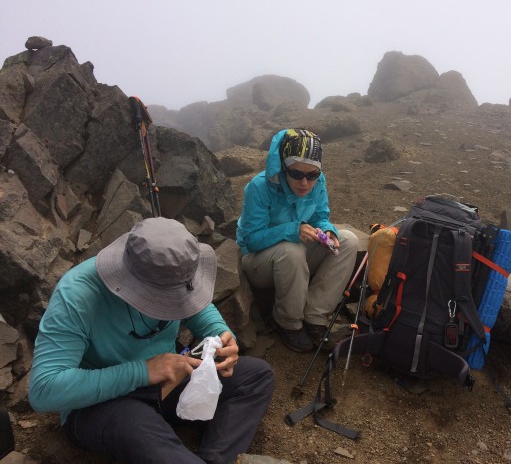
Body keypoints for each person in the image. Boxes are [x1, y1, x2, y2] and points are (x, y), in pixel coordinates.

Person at [29, 217, 275, 464]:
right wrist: (143, 371)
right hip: (104, 402)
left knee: (256, 376)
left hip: (169, 377)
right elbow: (44, 390)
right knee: (134, 426)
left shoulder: (174, 272)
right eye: (161, 300)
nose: (169, 307)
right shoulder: (78, 295)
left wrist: (219, 334)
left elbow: (194, 303)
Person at [236, 128, 359, 352]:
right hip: (257, 262)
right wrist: (293, 230)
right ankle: (288, 322)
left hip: (294, 252)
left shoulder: (318, 181)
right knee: (291, 250)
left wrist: (328, 231)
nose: (305, 182)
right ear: (284, 167)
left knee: (348, 241)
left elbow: (320, 216)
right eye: (296, 174)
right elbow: (251, 239)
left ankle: (315, 317)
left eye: (312, 175)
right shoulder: (259, 187)